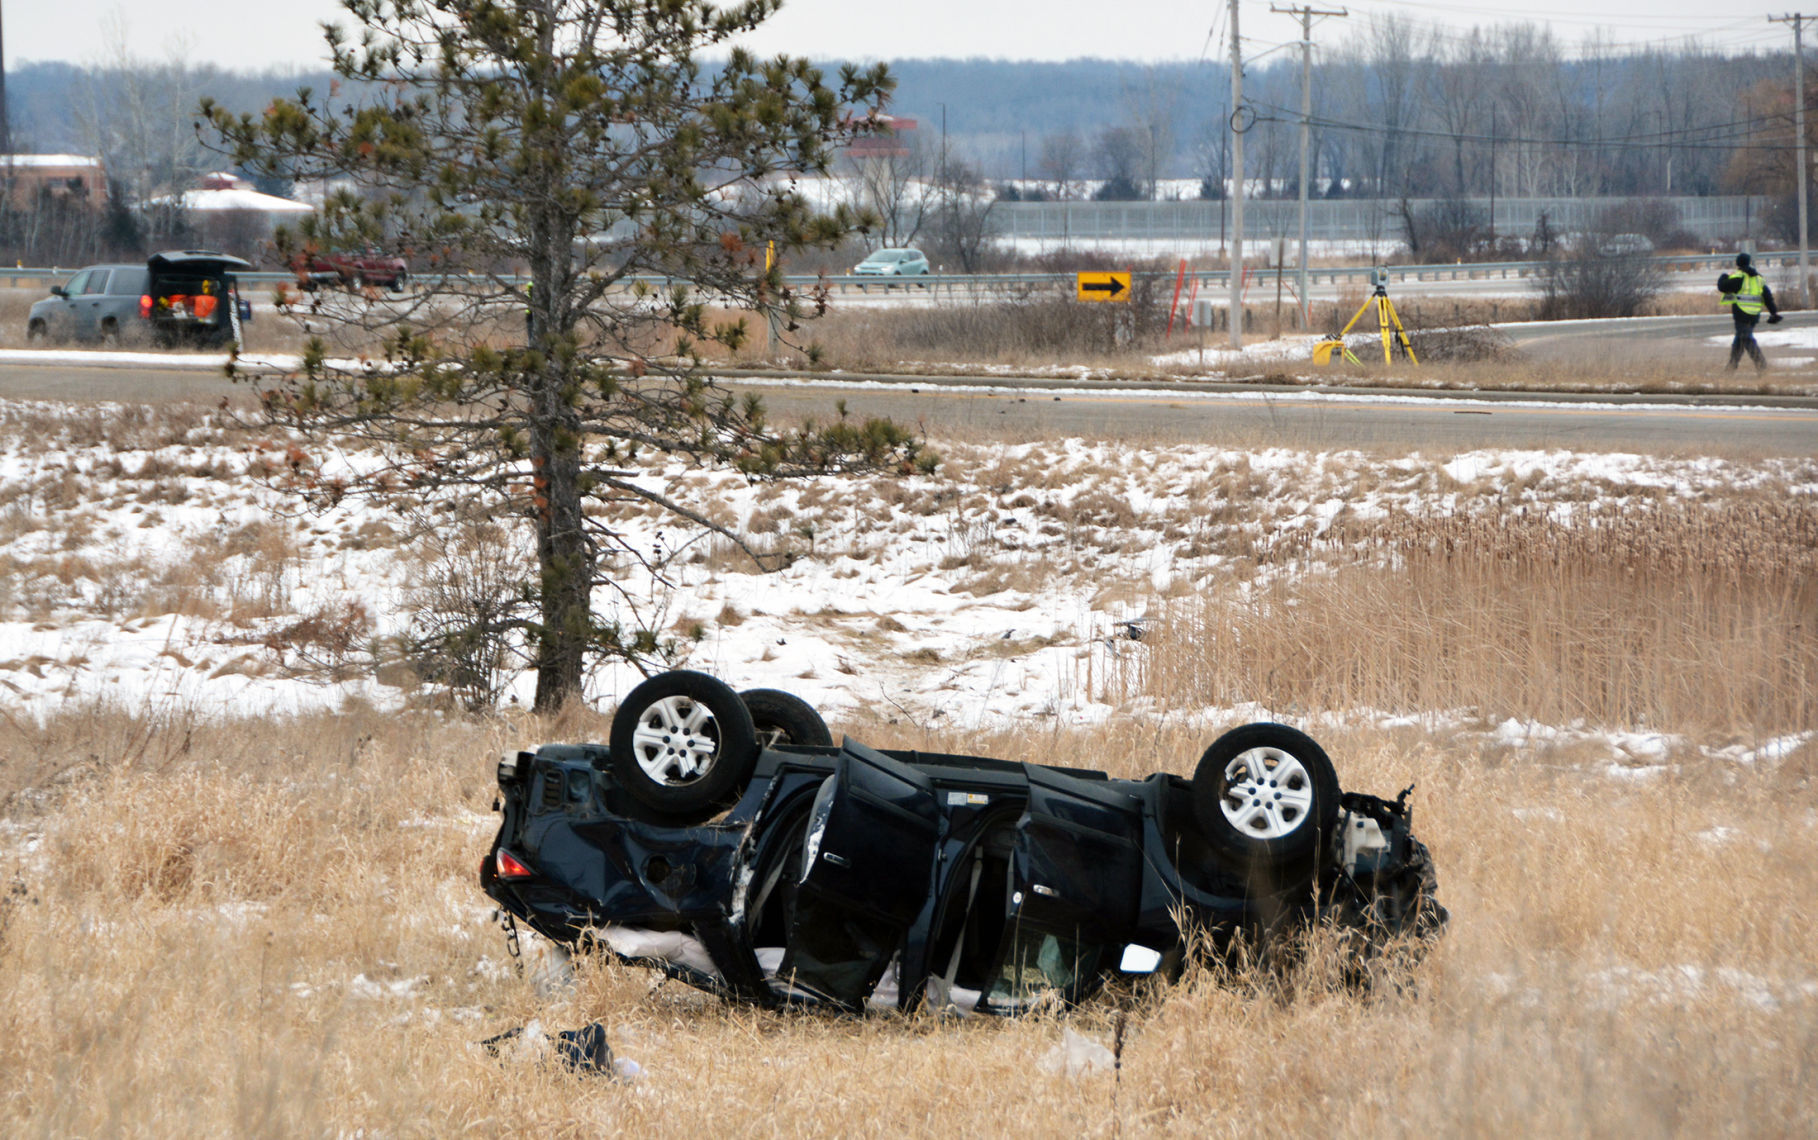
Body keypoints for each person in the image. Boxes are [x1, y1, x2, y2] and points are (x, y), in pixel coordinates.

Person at [1717, 252, 1782, 372]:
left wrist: (1723, 276)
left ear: (1738, 263)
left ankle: (1761, 365)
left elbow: (1722, 286)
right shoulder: (1759, 278)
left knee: (1747, 339)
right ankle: (1730, 370)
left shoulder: (1739, 277)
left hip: (1741, 313)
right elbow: (1768, 297)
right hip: (1754, 315)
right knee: (1740, 341)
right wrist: (1773, 312)